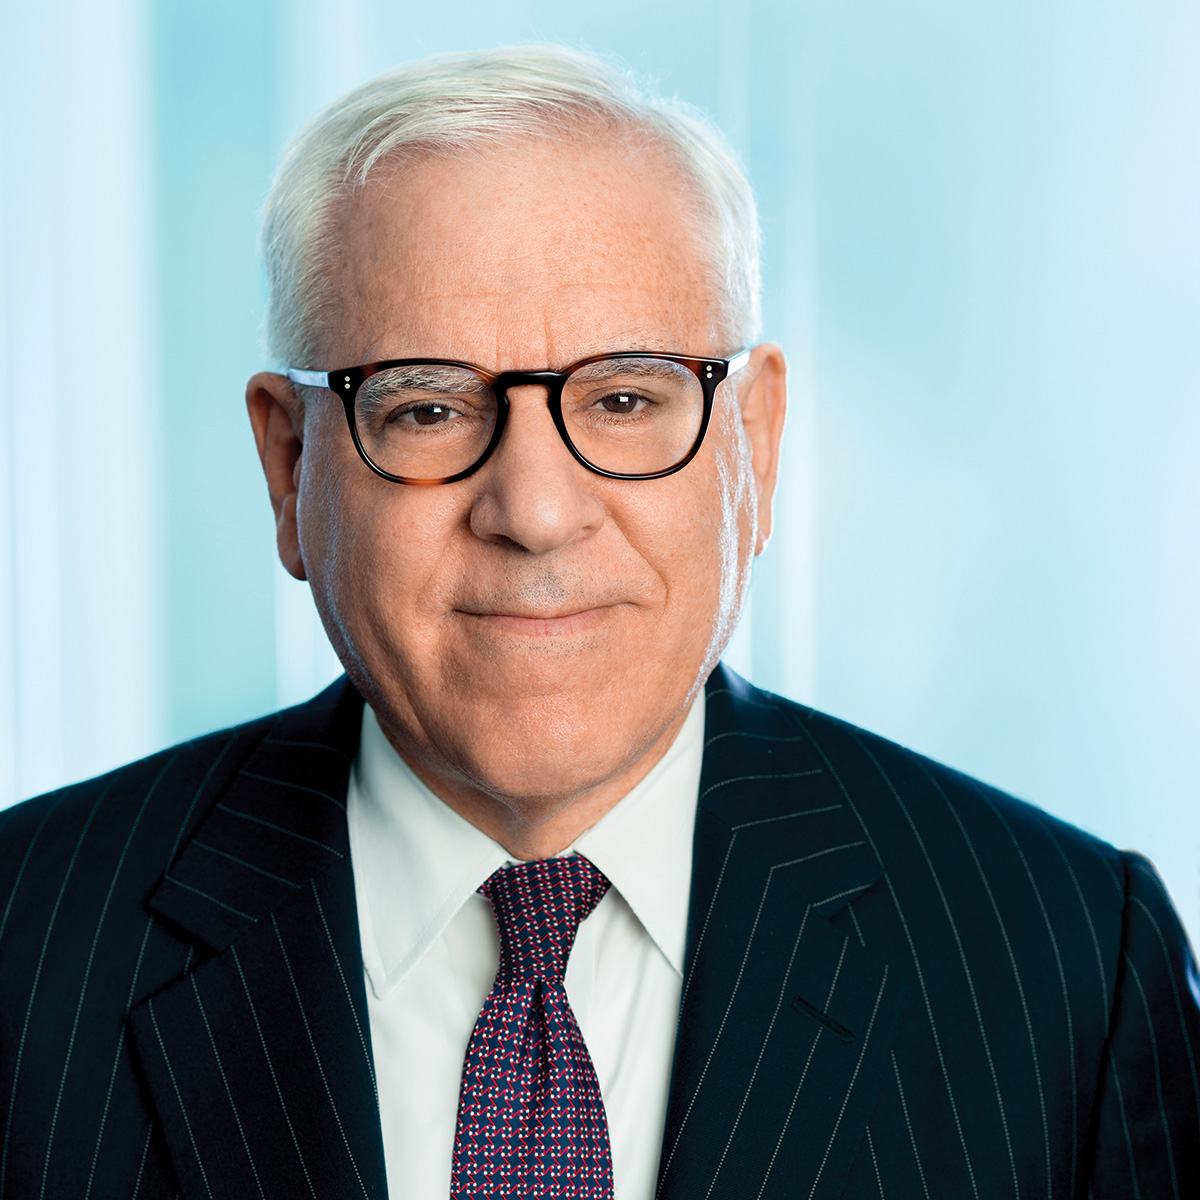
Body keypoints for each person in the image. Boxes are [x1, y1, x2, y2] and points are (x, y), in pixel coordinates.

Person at [1, 45, 1197, 1200]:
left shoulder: (1070, 971)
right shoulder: (25, 952)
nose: (533, 511)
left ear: (756, 450)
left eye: (626, 398)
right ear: (288, 464)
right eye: (427, 408)